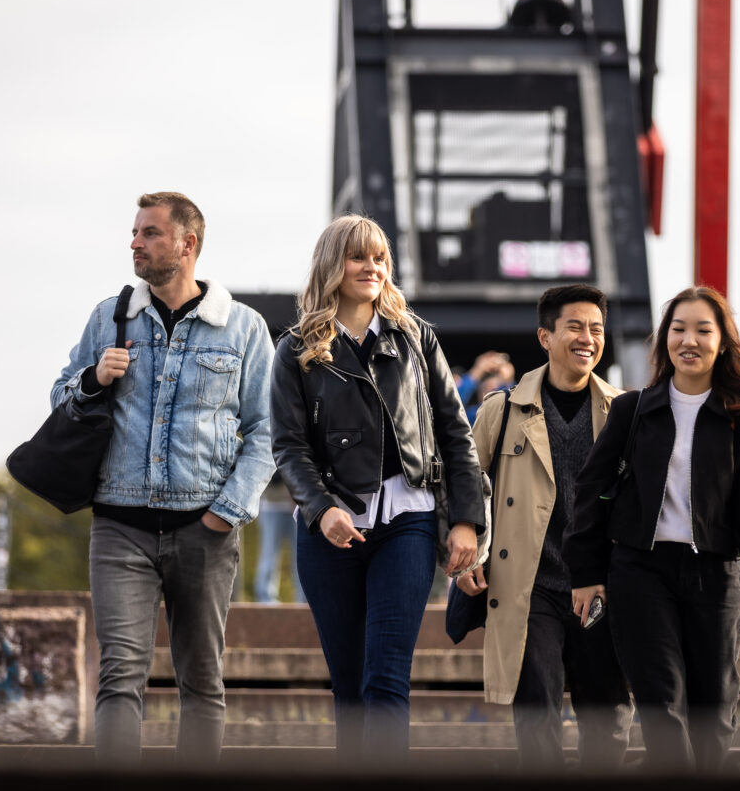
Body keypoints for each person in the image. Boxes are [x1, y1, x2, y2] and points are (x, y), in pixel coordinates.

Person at [51, 192, 274, 766]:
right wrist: (94, 379)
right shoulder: (109, 317)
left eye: (149, 233)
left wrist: (229, 508)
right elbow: (60, 397)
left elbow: (269, 430)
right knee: (119, 676)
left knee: (201, 681)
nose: (135, 242)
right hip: (120, 525)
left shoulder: (244, 328)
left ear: (186, 244)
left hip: (205, 527)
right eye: (134, 232)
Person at [269, 214, 486, 764]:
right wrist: (321, 511)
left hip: (408, 521)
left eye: (381, 258)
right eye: (358, 256)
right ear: (332, 263)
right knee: (349, 688)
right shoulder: (294, 350)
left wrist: (466, 519)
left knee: (386, 678)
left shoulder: (416, 338)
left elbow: (455, 433)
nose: (372, 267)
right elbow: (288, 447)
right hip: (331, 530)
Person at [565, 286, 740, 773]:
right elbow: (590, 492)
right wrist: (585, 572)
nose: (689, 340)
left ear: (723, 342)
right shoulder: (633, 410)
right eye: (678, 328)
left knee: (714, 709)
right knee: (661, 703)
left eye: (703, 330)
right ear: (664, 338)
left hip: (714, 573)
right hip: (640, 572)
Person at [455, 284, 632, 772]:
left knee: (608, 715)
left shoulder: (624, 412)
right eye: (574, 326)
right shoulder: (502, 408)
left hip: (599, 584)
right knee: (536, 712)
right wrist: (466, 550)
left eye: (596, 329)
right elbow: (466, 483)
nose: (588, 338)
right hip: (530, 586)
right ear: (545, 336)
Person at [254, 484, 304, 603]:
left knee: (302, 557)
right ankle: (266, 600)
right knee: (269, 555)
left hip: (301, 505)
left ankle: (304, 601)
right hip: (271, 504)